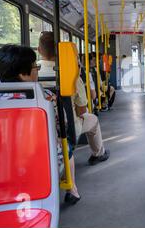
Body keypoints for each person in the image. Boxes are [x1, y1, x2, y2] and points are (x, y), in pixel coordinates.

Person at [0, 44, 81, 205]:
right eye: (35, 67)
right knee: (66, 147)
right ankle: (72, 189)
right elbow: (62, 129)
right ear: (22, 73)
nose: (37, 70)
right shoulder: (46, 98)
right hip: (40, 159)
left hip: (1, 163)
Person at [37, 32, 110, 167]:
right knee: (93, 120)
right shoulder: (71, 75)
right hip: (66, 128)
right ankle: (98, 154)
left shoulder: (32, 72)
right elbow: (81, 110)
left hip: (38, 128)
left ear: (39, 50)